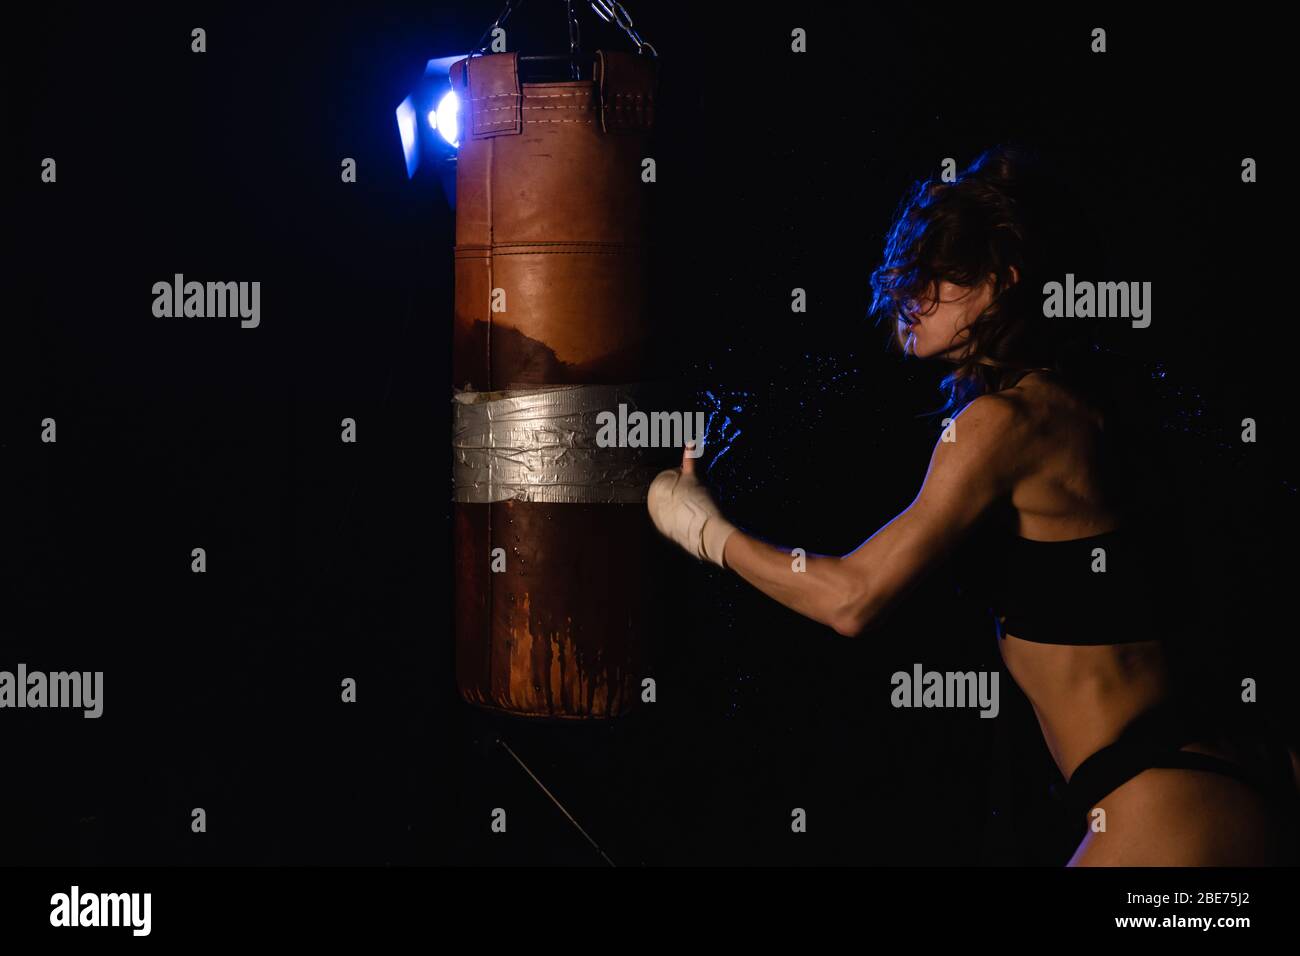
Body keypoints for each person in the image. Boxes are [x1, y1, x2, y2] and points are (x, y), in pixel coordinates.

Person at [647, 145, 1300, 865]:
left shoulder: (1001, 426)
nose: (916, 292)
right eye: (916, 268)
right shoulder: (1076, 407)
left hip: (1167, 811)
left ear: (1005, 280)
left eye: (944, 270)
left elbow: (853, 599)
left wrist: (702, 529)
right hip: (1227, 786)